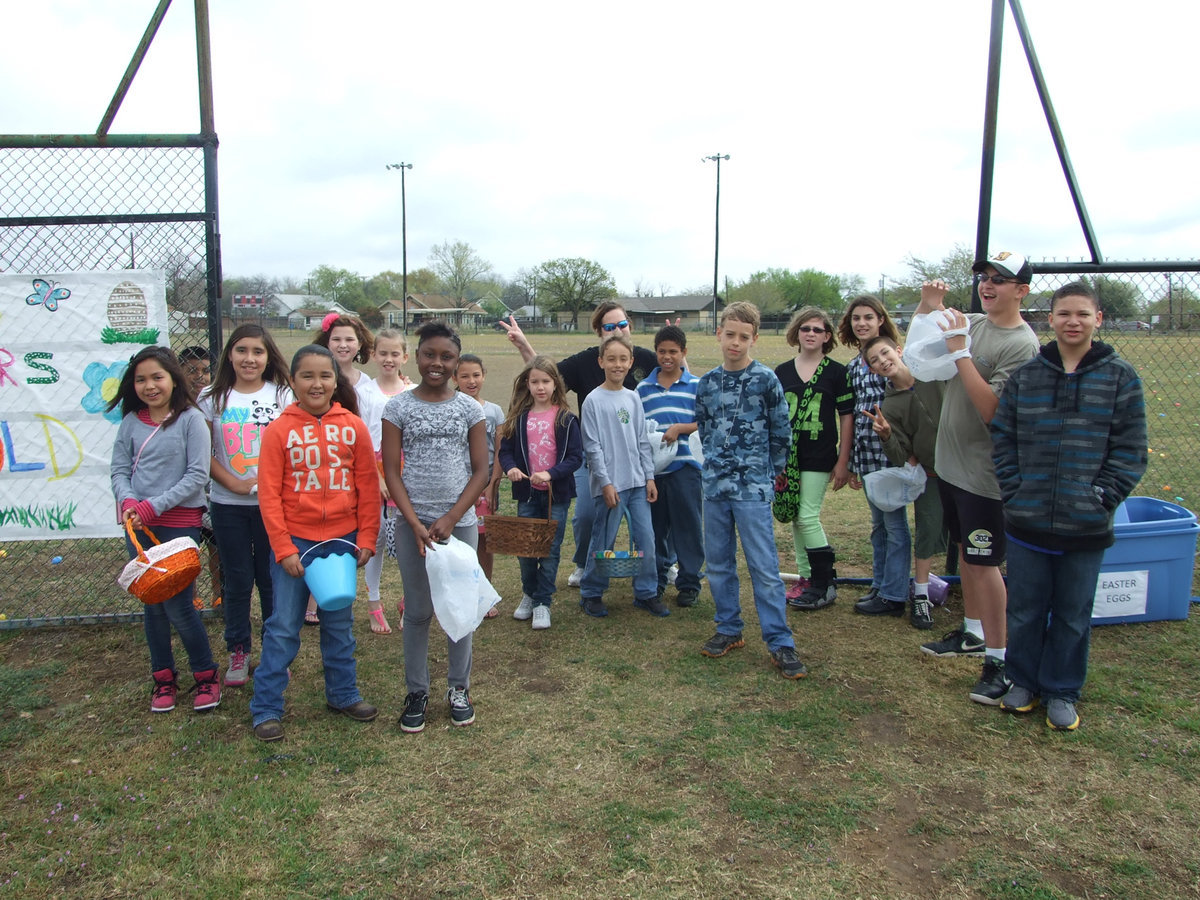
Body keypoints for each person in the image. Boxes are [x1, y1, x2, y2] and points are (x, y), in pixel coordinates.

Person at [992, 282, 1147, 730]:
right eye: (1064, 314)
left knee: (1073, 614)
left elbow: (1131, 449)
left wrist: (1101, 497)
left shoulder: (1120, 377)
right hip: (1027, 520)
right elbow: (1002, 436)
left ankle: (1062, 690)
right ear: (1050, 319)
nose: (1072, 322)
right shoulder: (1028, 376)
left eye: (1082, 314)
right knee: (1025, 608)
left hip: (1086, 526)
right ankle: (1022, 681)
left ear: (1098, 319)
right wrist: (1015, 490)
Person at [914, 255, 1040, 706]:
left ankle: (1000, 661)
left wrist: (961, 353)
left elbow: (993, 412)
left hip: (985, 477)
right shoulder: (975, 323)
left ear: (1021, 291)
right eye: (985, 278)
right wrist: (927, 306)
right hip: (952, 467)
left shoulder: (1022, 345)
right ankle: (972, 633)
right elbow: (922, 349)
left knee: (985, 565)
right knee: (968, 555)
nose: (988, 286)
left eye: (1000, 281)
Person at [249, 345, 379, 742]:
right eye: (307, 376)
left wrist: (367, 537)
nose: (317, 383)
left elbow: (367, 487)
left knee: (339, 624)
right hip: (296, 544)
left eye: (325, 376)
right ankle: (266, 707)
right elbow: (269, 495)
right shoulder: (279, 431)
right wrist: (283, 547)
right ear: (292, 381)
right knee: (283, 627)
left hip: (341, 542)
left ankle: (343, 694)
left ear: (336, 381)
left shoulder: (353, 427)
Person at [382, 322, 490, 733]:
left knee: (459, 609)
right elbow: (392, 472)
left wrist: (450, 518)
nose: (437, 363)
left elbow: (480, 471)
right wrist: (414, 522)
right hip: (412, 525)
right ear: (417, 356)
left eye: (447, 357)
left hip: (458, 525)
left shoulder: (470, 409)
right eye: (430, 354)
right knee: (418, 610)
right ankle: (417, 691)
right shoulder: (398, 408)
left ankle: (459, 688)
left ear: (456, 362)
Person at [500, 302, 657, 587]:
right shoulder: (586, 362)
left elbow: (674, 369)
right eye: (609, 326)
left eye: (622, 325)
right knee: (585, 515)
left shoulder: (644, 358)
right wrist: (524, 345)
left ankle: (658, 570)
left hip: (632, 460)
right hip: (591, 456)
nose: (617, 331)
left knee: (648, 520)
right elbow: (546, 377)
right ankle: (585, 564)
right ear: (599, 332)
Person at [695, 302, 807, 679]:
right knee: (719, 563)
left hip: (753, 489)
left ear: (754, 339)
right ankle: (728, 628)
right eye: (730, 334)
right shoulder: (707, 384)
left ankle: (780, 641)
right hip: (715, 487)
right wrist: (717, 466)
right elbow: (705, 429)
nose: (735, 342)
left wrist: (767, 473)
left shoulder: (765, 380)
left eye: (744, 337)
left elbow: (781, 432)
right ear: (719, 334)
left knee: (764, 566)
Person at [109, 346, 220, 713]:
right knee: (153, 606)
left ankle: (206, 675)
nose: (150, 385)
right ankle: (163, 679)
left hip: (179, 527)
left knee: (180, 606)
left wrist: (150, 506)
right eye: (141, 379)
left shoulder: (190, 420)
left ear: (173, 378)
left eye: (157, 377)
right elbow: (119, 470)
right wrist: (129, 501)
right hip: (138, 528)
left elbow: (196, 476)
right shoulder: (130, 422)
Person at [196, 325, 292, 688]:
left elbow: (292, 446)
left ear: (268, 357)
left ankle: (273, 652)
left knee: (270, 579)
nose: (249, 359)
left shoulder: (283, 395)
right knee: (236, 580)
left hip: (272, 507)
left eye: (257, 351)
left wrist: (273, 485)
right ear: (229, 355)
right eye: (241, 350)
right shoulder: (212, 397)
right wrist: (233, 483)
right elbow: (201, 451)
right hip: (228, 505)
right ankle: (238, 649)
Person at [861, 334, 948, 630]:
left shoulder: (933, 375)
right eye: (875, 360)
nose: (883, 361)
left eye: (886, 353)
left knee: (966, 531)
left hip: (964, 466)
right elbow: (901, 456)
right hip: (932, 474)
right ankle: (921, 596)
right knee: (926, 531)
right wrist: (886, 436)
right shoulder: (890, 405)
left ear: (898, 350)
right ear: (872, 369)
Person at [310, 313, 388, 628]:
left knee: (370, 533)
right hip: (322, 469)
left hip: (360, 468)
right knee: (321, 528)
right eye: (336, 339)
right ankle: (316, 595)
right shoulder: (313, 379)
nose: (343, 345)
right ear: (326, 342)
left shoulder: (368, 386)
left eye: (349, 339)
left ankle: (372, 600)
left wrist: (373, 474)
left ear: (359, 345)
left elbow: (368, 434)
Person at [577, 333, 663, 618]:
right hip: (611, 486)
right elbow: (592, 447)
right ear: (601, 361)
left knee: (646, 539)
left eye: (623, 359)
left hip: (638, 483)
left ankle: (646, 592)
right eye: (611, 359)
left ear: (631, 362)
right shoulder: (593, 401)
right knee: (604, 540)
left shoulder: (633, 397)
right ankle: (591, 592)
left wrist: (649, 477)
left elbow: (642, 440)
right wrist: (605, 483)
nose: (617, 364)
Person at [772, 307, 853, 612]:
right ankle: (806, 577)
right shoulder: (782, 372)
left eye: (817, 330)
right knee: (796, 517)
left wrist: (843, 460)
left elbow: (846, 417)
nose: (810, 334)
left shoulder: (836, 373)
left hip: (820, 455)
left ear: (827, 336)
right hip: (790, 458)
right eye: (805, 328)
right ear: (797, 333)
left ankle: (824, 582)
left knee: (807, 516)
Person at [838, 295, 913, 619]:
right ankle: (880, 584)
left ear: (881, 320)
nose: (862, 323)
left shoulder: (892, 357)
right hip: (868, 457)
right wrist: (853, 462)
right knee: (879, 525)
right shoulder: (854, 366)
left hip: (891, 454)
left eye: (868, 317)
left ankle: (894, 595)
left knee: (895, 526)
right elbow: (856, 415)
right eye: (856, 318)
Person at [498, 356, 584, 630]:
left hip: (555, 497)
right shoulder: (518, 419)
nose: (540, 387)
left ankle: (543, 603)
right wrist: (511, 468)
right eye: (535, 381)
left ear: (555, 384)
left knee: (549, 551)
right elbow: (505, 451)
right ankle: (529, 593)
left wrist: (551, 474)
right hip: (527, 494)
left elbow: (575, 458)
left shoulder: (566, 420)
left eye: (546, 381)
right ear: (527, 384)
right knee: (525, 550)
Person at [634, 324, 704, 607]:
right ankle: (657, 579)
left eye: (673, 352)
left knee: (688, 526)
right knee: (655, 528)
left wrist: (680, 428)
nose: (667, 357)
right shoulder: (643, 389)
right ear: (656, 352)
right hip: (654, 472)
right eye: (662, 351)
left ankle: (689, 583)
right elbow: (637, 427)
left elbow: (706, 421)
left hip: (685, 467)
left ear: (683, 352)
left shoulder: (696, 385)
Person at [361, 326, 415, 635]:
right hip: (375, 473)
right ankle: (374, 603)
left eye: (395, 353)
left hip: (408, 472)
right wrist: (376, 477)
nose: (388, 359)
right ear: (373, 355)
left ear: (405, 357)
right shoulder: (364, 393)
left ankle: (410, 601)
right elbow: (360, 438)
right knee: (376, 539)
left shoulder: (412, 391)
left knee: (407, 540)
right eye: (383, 353)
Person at [454, 353, 506, 617]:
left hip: (485, 486)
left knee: (484, 542)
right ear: (455, 378)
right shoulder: (450, 408)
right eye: (464, 376)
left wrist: (492, 484)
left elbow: (500, 450)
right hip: (457, 486)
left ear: (484, 376)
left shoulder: (494, 411)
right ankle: (459, 594)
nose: (471, 381)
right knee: (458, 542)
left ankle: (483, 595)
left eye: (476, 375)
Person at [177, 345, 222, 609]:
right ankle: (191, 597)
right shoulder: (177, 407)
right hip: (187, 487)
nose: (199, 377)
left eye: (205, 371)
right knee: (188, 547)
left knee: (216, 546)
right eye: (192, 370)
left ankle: (218, 595)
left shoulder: (215, 402)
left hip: (214, 485)